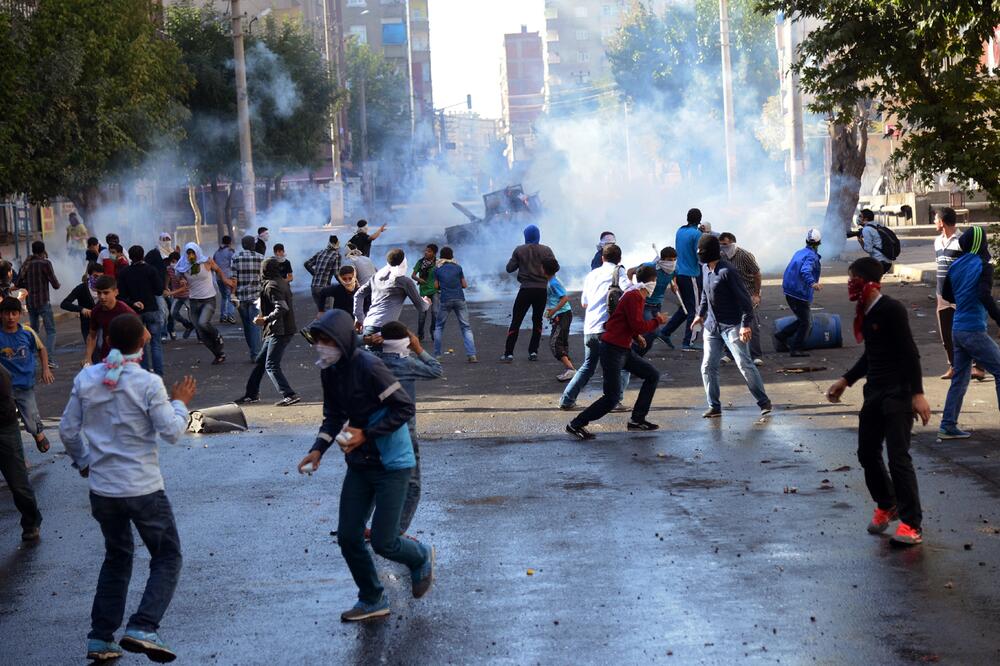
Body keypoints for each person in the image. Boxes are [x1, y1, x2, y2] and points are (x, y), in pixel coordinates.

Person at [60, 313, 196, 662]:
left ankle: (100, 637)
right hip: (143, 488)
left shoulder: (87, 378)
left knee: (117, 557)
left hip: (103, 490)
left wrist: (85, 462)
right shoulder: (149, 383)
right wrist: (180, 402)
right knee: (167, 556)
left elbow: (67, 431)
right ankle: (144, 625)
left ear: (107, 340)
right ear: (143, 339)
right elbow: (172, 432)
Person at [296, 310, 435, 622]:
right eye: (318, 340)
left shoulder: (370, 366)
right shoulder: (329, 370)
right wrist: (317, 449)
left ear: (344, 340)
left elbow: (403, 408)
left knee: (386, 542)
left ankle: (421, 556)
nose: (321, 346)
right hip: (359, 462)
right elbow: (332, 415)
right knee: (348, 536)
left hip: (391, 463)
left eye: (327, 340)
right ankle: (372, 598)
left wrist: (366, 433)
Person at [826, 257, 930, 546]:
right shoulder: (866, 312)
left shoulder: (891, 310)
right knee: (866, 452)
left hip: (898, 392)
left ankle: (912, 525)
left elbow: (910, 353)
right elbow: (870, 356)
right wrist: (845, 380)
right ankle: (887, 503)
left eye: (853, 279)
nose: (849, 284)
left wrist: (917, 394)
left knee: (898, 458)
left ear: (869, 283)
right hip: (875, 391)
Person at [566, 265, 667, 439]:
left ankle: (637, 419)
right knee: (611, 398)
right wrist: (657, 321)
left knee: (652, 375)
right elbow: (637, 324)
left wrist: (636, 337)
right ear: (651, 282)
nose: (655, 283)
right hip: (613, 349)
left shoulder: (636, 295)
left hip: (622, 349)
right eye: (655, 280)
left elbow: (628, 322)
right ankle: (575, 424)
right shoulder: (634, 296)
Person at [370, 321, 443, 535]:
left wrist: (367, 341)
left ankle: (362, 526)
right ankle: (396, 530)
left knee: (375, 481)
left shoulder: (371, 362)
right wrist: (418, 348)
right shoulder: (408, 364)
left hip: (375, 430)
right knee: (411, 485)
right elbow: (436, 370)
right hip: (404, 431)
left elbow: (345, 346)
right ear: (406, 342)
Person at [692, 234, 772, 418]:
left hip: (732, 326)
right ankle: (714, 406)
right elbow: (705, 295)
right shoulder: (705, 269)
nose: (700, 255)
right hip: (712, 327)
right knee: (707, 366)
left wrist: (745, 325)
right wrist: (699, 315)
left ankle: (763, 402)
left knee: (744, 363)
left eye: (702, 252)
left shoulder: (727, 271)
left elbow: (745, 301)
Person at [937, 226, 1000, 439]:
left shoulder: (955, 265)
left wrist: (964, 299)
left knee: (960, 379)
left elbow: (946, 294)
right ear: (980, 244)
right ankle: (948, 425)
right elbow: (984, 294)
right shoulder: (983, 265)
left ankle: (947, 425)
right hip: (973, 329)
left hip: (958, 328)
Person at [560, 243, 632, 411]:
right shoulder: (619, 271)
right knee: (622, 365)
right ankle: (615, 400)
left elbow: (584, 303)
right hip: (608, 328)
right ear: (619, 259)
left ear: (602, 258)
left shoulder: (592, 274)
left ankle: (567, 399)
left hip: (590, 327)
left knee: (588, 366)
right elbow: (629, 291)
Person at [236, 258, 301, 407]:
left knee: (271, 364)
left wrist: (265, 319)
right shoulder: (281, 282)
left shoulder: (272, 286)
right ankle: (251, 394)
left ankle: (289, 394)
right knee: (260, 362)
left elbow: (282, 307)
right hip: (279, 329)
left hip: (280, 330)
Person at [933, 208, 986, 381]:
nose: (934, 221)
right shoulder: (937, 241)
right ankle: (953, 366)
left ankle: (978, 367)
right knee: (946, 333)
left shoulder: (963, 241)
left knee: (968, 330)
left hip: (961, 295)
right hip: (942, 294)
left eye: (935, 218)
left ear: (941, 222)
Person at [0, 297, 55, 453]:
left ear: (20, 314)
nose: (10, 317)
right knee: (8, 423)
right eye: (6, 314)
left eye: (14, 313)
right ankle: (16, 454)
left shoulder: (27, 332)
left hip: (25, 384)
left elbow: (41, 348)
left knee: (30, 419)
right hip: (4, 388)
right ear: (1, 315)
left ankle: (37, 434)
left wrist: (46, 369)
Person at [0, 363, 42, 542]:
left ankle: (31, 522)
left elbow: (6, 392)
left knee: (18, 483)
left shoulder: (1, 374)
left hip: (4, 426)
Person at [501, 224, 556, 362]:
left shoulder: (520, 250)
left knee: (516, 320)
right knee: (537, 321)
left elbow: (509, 268)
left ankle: (508, 353)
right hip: (542, 290)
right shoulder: (546, 250)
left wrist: (521, 262)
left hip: (525, 289)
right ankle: (533, 352)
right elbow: (555, 267)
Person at [175, 242, 231, 365]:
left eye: (192, 252)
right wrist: (182, 280)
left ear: (197, 252)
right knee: (201, 333)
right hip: (194, 301)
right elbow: (178, 276)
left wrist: (225, 280)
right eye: (188, 253)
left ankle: (217, 335)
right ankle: (219, 354)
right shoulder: (183, 265)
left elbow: (218, 270)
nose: (191, 255)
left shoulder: (207, 261)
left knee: (203, 323)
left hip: (208, 299)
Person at [353, 249, 430, 337]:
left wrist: (359, 318)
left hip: (368, 325)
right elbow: (422, 307)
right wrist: (427, 302)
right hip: (385, 329)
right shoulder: (404, 282)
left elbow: (358, 294)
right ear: (403, 262)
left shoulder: (376, 277)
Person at [659, 208, 705, 351]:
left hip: (679, 273)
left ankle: (665, 332)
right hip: (692, 274)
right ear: (699, 220)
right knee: (697, 310)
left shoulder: (680, 231)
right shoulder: (697, 234)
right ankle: (689, 342)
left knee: (685, 308)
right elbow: (699, 255)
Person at [117, 246, 165, 377]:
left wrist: (133, 302)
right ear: (143, 255)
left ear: (130, 257)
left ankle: (144, 374)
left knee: (140, 344)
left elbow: (120, 295)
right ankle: (158, 375)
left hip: (134, 312)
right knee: (155, 343)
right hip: (152, 309)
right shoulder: (151, 270)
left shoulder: (124, 273)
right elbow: (159, 290)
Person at [719, 232, 764, 365]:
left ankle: (756, 355)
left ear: (733, 243)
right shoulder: (721, 256)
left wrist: (756, 294)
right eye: (721, 245)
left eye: (725, 244)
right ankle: (729, 353)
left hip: (747, 295)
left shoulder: (745, 255)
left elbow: (757, 274)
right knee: (730, 325)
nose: (723, 247)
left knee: (751, 325)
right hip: (731, 296)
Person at [777, 229, 823, 357]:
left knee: (803, 319)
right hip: (799, 293)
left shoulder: (800, 252)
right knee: (806, 322)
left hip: (790, 290)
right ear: (819, 243)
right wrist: (813, 283)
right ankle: (796, 349)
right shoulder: (811, 256)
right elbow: (805, 271)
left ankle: (782, 335)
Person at [14, 240, 60, 367]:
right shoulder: (45, 263)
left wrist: (28, 284)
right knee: (51, 331)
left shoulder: (26, 264)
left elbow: (17, 283)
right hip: (43, 302)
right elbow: (55, 284)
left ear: (33, 250)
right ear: (43, 250)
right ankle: (49, 360)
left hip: (31, 303)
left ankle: (30, 359)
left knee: (33, 331)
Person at [628, 246, 678, 356]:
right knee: (652, 331)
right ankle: (631, 355)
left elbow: (673, 278)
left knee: (652, 334)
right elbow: (630, 271)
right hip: (644, 304)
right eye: (670, 260)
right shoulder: (650, 267)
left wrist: (674, 285)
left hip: (657, 305)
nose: (672, 263)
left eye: (674, 259)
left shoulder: (674, 269)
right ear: (662, 259)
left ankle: (634, 356)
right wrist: (630, 286)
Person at [433, 247, 477, 362]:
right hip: (459, 298)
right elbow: (464, 285)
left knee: (439, 327)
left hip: (445, 299)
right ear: (452, 256)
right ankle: (472, 355)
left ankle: (437, 355)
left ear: (441, 256)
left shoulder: (437, 269)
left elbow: (436, 286)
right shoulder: (458, 267)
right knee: (466, 327)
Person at [85, 276, 138, 364]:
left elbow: (145, 336)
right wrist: (88, 357)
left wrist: (130, 355)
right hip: (106, 358)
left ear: (116, 292)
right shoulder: (96, 311)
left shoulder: (125, 311)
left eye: (106, 293)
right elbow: (92, 336)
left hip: (125, 361)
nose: (102, 297)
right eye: (99, 293)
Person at [231, 236, 264, 361]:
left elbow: (234, 279)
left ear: (243, 245)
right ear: (253, 245)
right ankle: (255, 353)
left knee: (247, 325)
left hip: (241, 297)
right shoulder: (261, 258)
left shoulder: (236, 257)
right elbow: (263, 278)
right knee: (255, 325)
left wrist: (232, 295)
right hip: (256, 296)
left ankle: (254, 350)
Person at [61, 262, 104, 357]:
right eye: (95, 276)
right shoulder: (81, 288)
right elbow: (64, 304)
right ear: (89, 275)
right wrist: (82, 309)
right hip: (87, 326)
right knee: (93, 351)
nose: (98, 279)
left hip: (102, 324)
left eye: (101, 277)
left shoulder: (105, 288)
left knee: (101, 346)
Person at [543, 257, 575, 381]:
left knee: (555, 343)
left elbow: (564, 298)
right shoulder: (552, 281)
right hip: (562, 315)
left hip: (562, 315)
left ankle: (571, 369)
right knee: (561, 341)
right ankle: (569, 368)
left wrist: (554, 311)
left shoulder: (553, 283)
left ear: (544, 270)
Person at [304, 235, 342, 313]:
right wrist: (344, 284)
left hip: (314, 287)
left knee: (321, 312)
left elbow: (307, 264)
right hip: (324, 288)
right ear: (337, 244)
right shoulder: (336, 255)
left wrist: (314, 273)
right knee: (328, 313)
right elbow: (336, 273)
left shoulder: (321, 252)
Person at [411, 244, 439, 342]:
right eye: (426, 251)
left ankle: (433, 331)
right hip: (424, 292)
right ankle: (420, 334)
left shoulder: (438, 263)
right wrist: (419, 279)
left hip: (435, 291)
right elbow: (413, 275)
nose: (426, 252)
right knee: (422, 316)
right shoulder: (420, 262)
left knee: (435, 313)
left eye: (429, 251)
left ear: (434, 253)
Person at [164, 252, 195, 341]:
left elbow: (184, 288)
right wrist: (166, 286)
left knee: (193, 315)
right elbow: (168, 276)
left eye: (174, 261)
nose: (172, 264)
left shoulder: (182, 270)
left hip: (188, 295)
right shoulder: (169, 268)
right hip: (177, 296)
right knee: (173, 313)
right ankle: (188, 325)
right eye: (171, 262)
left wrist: (171, 293)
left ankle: (200, 336)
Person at [856, 208, 893, 274]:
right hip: (888, 261)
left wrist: (861, 242)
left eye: (860, 216)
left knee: (858, 271)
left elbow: (869, 249)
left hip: (879, 262)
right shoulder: (877, 225)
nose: (859, 218)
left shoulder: (866, 230)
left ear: (866, 219)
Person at [213, 236, 237, 324]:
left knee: (224, 297)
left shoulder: (217, 252)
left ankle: (223, 316)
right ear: (230, 242)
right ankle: (230, 315)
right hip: (227, 277)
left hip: (218, 278)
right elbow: (234, 263)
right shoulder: (230, 252)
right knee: (231, 295)